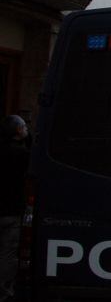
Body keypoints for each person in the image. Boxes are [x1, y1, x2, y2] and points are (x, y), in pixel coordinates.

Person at [0, 115, 30, 301]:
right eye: (24, 127)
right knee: (8, 254)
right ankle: (4, 292)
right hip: (11, 211)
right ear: (18, 131)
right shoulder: (21, 155)